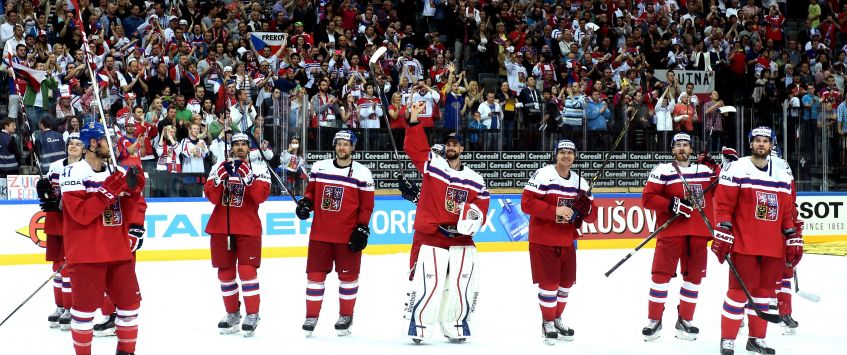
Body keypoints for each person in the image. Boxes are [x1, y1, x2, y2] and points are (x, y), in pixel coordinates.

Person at [400, 102, 489, 343]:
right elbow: (414, 147)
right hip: (431, 235)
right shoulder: (433, 165)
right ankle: (419, 325)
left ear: (462, 149)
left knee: (459, 285)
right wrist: (415, 120)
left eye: (455, 144)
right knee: (426, 281)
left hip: (460, 239)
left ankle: (454, 325)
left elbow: (481, 208)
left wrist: (473, 217)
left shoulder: (475, 180)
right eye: (448, 144)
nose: (451, 147)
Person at [59, 121, 146, 355]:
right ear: (94, 143)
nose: (113, 146)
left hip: (118, 251)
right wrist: (109, 189)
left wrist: (133, 189)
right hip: (87, 252)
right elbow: (82, 215)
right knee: (84, 311)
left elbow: (131, 207)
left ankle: (126, 352)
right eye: (108, 141)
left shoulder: (114, 171)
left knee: (130, 307)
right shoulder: (72, 172)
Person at [713, 126, 802, 355]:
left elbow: (786, 212)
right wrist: (724, 230)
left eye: (765, 141)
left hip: (772, 246)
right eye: (757, 141)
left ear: (771, 145)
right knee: (737, 292)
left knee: (764, 294)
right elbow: (723, 204)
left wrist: (792, 236)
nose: (761, 144)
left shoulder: (782, 175)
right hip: (744, 244)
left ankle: (756, 339)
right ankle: (728, 339)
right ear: (750, 144)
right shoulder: (737, 168)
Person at [640, 132, 720, 341]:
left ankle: (685, 320)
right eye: (678, 145)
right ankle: (654, 320)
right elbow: (647, 198)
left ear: (691, 149)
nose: (682, 148)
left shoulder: (704, 171)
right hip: (671, 232)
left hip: (698, 233)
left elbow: (725, 186)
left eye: (686, 145)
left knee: (693, 279)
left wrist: (716, 166)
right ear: (673, 150)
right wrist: (671, 204)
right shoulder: (663, 170)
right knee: (660, 276)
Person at [295, 130, 375, 336]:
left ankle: (346, 315)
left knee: (348, 278)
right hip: (320, 234)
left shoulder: (362, 173)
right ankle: (311, 316)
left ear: (353, 148)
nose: (342, 148)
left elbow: (366, 207)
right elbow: (311, 193)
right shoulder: (319, 167)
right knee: (314, 277)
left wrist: (362, 229)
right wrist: (305, 204)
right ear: (334, 146)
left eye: (346, 144)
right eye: (339, 144)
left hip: (347, 236)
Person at [521, 139, 597, 344]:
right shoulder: (544, 174)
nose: (566, 155)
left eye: (570, 152)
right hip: (543, 239)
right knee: (549, 284)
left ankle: (556, 318)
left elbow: (592, 217)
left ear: (575, 156)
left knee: (565, 285)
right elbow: (526, 203)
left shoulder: (580, 182)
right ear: (555, 154)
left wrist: (586, 208)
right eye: (562, 151)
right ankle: (547, 322)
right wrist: (554, 211)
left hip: (567, 241)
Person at [204, 132, 271, 337]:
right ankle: (232, 313)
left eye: (244, 144)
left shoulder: (259, 168)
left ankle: (252, 314)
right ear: (231, 147)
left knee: (247, 272)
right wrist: (217, 180)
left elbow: (260, 197)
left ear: (249, 147)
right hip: (221, 227)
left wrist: (248, 177)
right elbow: (213, 198)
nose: (240, 147)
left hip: (248, 228)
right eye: (236, 144)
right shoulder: (218, 166)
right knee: (225, 274)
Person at [36, 133, 83, 330]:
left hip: (73, 222)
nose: (73, 146)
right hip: (56, 221)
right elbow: (49, 192)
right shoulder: (55, 166)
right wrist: (44, 193)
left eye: (77, 144)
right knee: (57, 267)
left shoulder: (84, 168)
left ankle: (70, 308)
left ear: (83, 149)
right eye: (70, 144)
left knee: (68, 267)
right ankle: (60, 305)